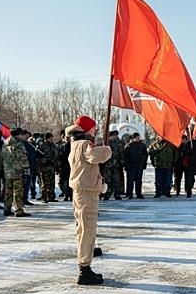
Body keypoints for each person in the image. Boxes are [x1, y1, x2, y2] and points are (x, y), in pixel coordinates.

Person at [68, 116, 112, 285]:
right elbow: (96, 155)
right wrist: (107, 149)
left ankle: (86, 259)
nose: (96, 131)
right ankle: (84, 270)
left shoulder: (76, 144)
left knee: (84, 228)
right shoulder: (85, 145)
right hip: (86, 193)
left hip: (83, 191)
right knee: (87, 229)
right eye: (94, 128)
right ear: (86, 130)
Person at [1, 127, 31, 217]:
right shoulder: (18, 144)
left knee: (8, 191)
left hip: (7, 171)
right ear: (18, 135)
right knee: (18, 192)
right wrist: (26, 168)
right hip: (17, 171)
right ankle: (18, 210)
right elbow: (21, 158)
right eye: (21, 134)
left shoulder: (5, 143)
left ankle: (7, 208)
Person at [124, 133, 148, 199]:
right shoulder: (129, 146)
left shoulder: (142, 145)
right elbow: (126, 156)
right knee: (130, 181)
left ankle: (139, 193)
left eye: (138, 137)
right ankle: (129, 194)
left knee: (138, 180)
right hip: (131, 166)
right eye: (136, 137)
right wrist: (127, 165)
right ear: (133, 138)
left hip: (139, 166)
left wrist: (144, 164)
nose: (138, 138)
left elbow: (145, 155)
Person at [37, 132, 59, 203]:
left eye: (52, 137)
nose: (51, 139)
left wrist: (56, 165)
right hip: (44, 167)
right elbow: (38, 157)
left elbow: (57, 157)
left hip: (52, 167)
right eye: (49, 138)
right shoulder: (41, 146)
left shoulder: (54, 147)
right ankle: (44, 197)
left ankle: (51, 196)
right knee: (44, 182)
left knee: (52, 182)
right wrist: (45, 161)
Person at [103, 130, 125, 200]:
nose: (115, 137)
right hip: (108, 165)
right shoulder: (106, 143)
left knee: (117, 180)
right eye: (113, 135)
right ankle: (107, 194)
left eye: (116, 135)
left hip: (116, 165)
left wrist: (122, 162)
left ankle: (117, 194)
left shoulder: (120, 143)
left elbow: (122, 154)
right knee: (108, 181)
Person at [20, 130, 37, 206]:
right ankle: (21, 200)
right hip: (23, 168)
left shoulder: (29, 145)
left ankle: (25, 199)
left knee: (28, 184)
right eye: (25, 136)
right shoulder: (21, 145)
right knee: (23, 185)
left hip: (31, 167)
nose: (27, 137)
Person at [58, 127, 73, 201]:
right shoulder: (62, 147)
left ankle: (71, 195)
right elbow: (60, 157)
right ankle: (66, 194)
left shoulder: (73, 147)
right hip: (64, 166)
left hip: (72, 166)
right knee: (64, 182)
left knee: (71, 182)